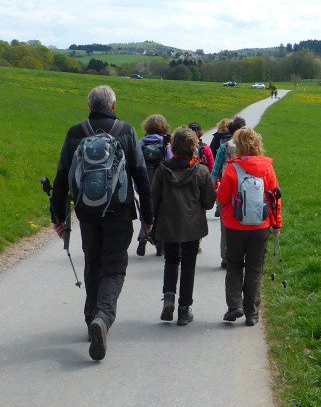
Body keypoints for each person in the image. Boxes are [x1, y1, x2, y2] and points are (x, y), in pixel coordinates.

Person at [50, 85, 153, 361]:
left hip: (87, 212)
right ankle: (103, 318)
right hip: (120, 211)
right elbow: (141, 175)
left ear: (90, 106)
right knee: (115, 268)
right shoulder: (127, 131)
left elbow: (62, 177)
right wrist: (148, 218)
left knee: (93, 262)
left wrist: (58, 217)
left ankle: (90, 319)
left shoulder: (75, 133)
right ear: (113, 105)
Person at [216, 127, 282, 326]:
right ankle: (252, 313)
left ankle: (234, 305)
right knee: (254, 270)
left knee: (234, 265)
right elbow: (275, 198)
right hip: (260, 226)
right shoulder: (267, 168)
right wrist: (277, 223)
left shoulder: (232, 168)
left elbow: (223, 197)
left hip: (235, 226)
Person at [151, 126, 216, 325]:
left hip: (168, 224)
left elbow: (155, 199)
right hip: (192, 226)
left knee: (171, 260)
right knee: (189, 265)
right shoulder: (201, 171)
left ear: (172, 146)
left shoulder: (162, 170)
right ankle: (184, 308)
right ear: (194, 147)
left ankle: (168, 299)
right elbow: (209, 202)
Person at [211, 116, 246, 266]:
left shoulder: (224, 148)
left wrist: (213, 192)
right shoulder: (249, 148)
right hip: (245, 192)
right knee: (244, 223)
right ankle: (241, 255)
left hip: (226, 191)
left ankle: (226, 257)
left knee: (225, 225)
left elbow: (215, 173)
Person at [136, 114, 172, 258]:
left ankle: (143, 235)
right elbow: (170, 163)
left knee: (147, 212)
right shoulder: (166, 145)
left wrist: (137, 186)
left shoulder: (141, 144)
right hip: (162, 186)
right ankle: (160, 246)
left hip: (145, 185)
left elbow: (137, 165)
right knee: (161, 214)